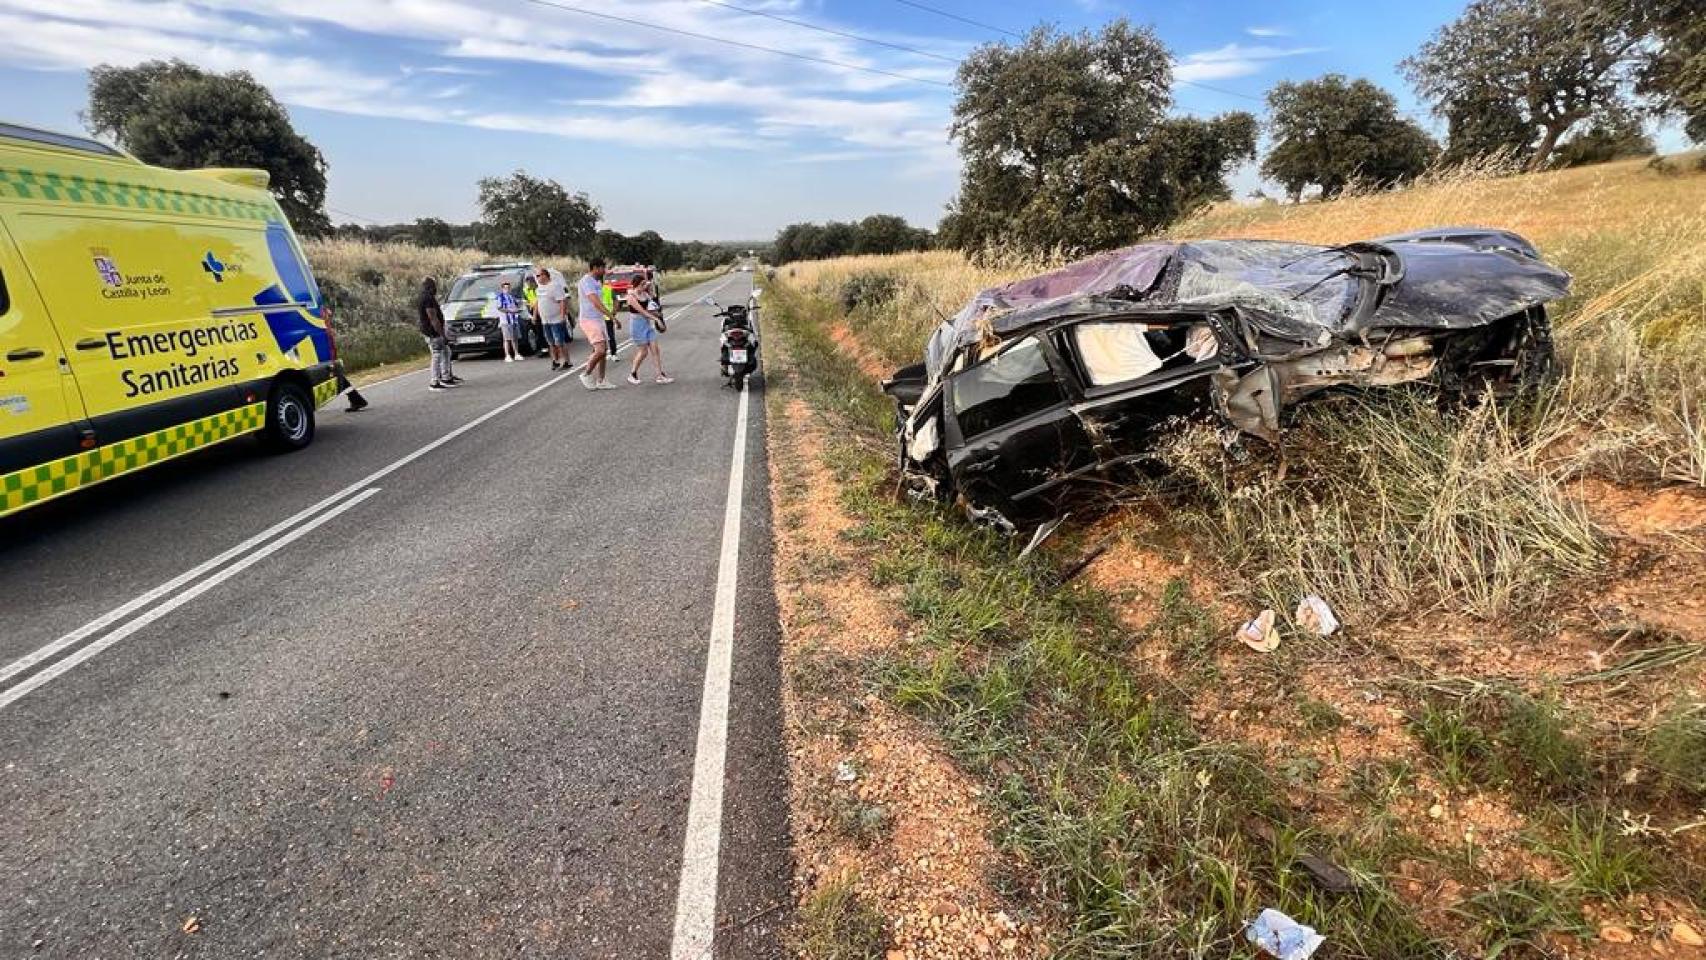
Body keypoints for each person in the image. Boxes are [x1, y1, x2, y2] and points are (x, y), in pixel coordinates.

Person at [624, 272, 672, 384]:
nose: (644, 286)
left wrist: (658, 315)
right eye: (642, 284)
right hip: (637, 326)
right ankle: (632, 374)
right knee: (643, 352)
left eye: (645, 284)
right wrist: (656, 319)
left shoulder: (645, 295)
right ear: (636, 285)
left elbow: (653, 305)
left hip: (647, 325)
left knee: (655, 349)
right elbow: (642, 311)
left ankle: (659, 375)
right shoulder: (631, 297)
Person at [577, 258, 618, 390]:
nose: (604, 271)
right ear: (595, 268)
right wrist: (612, 317)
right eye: (602, 268)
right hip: (589, 319)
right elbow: (595, 302)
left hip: (598, 319)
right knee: (600, 350)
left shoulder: (596, 282)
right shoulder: (586, 281)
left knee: (603, 350)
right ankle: (586, 374)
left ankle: (601, 380)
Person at [417, 276, 458, 390]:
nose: (436, 288)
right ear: (430, 287)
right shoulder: (428, 298)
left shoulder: (424, 297)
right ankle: (434, 381)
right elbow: (433, 318)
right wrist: (442, 334)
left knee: (446, 351)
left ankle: (446, 377)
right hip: (433, 331)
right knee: (437, 355)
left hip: (430, 330)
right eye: (434, 286)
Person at [534, 265, 573, 371]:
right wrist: (534, 315)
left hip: (556, 319)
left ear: (545, 275)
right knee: (551, 342)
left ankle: (566, 361)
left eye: (538, 276)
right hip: (545, 320)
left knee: (559, 342)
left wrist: (562, 316)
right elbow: (537, 302)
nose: (537, 278)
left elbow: (562, 301)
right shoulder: (538, 289)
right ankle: (555, 361)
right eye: (536, 276)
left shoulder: (555, 286)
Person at [496, 280, 526, 362]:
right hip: (505, 321)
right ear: (502, 288)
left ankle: (516, 354)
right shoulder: (500, 297)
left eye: (508, 287)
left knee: (514, 338)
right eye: (505, 287)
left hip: (513, 320)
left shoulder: (511, 297)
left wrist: (518, 309)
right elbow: (499, 308)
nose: (507, 289)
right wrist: (510, 311)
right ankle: (507, 355)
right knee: (507, 339)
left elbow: (515, 305)